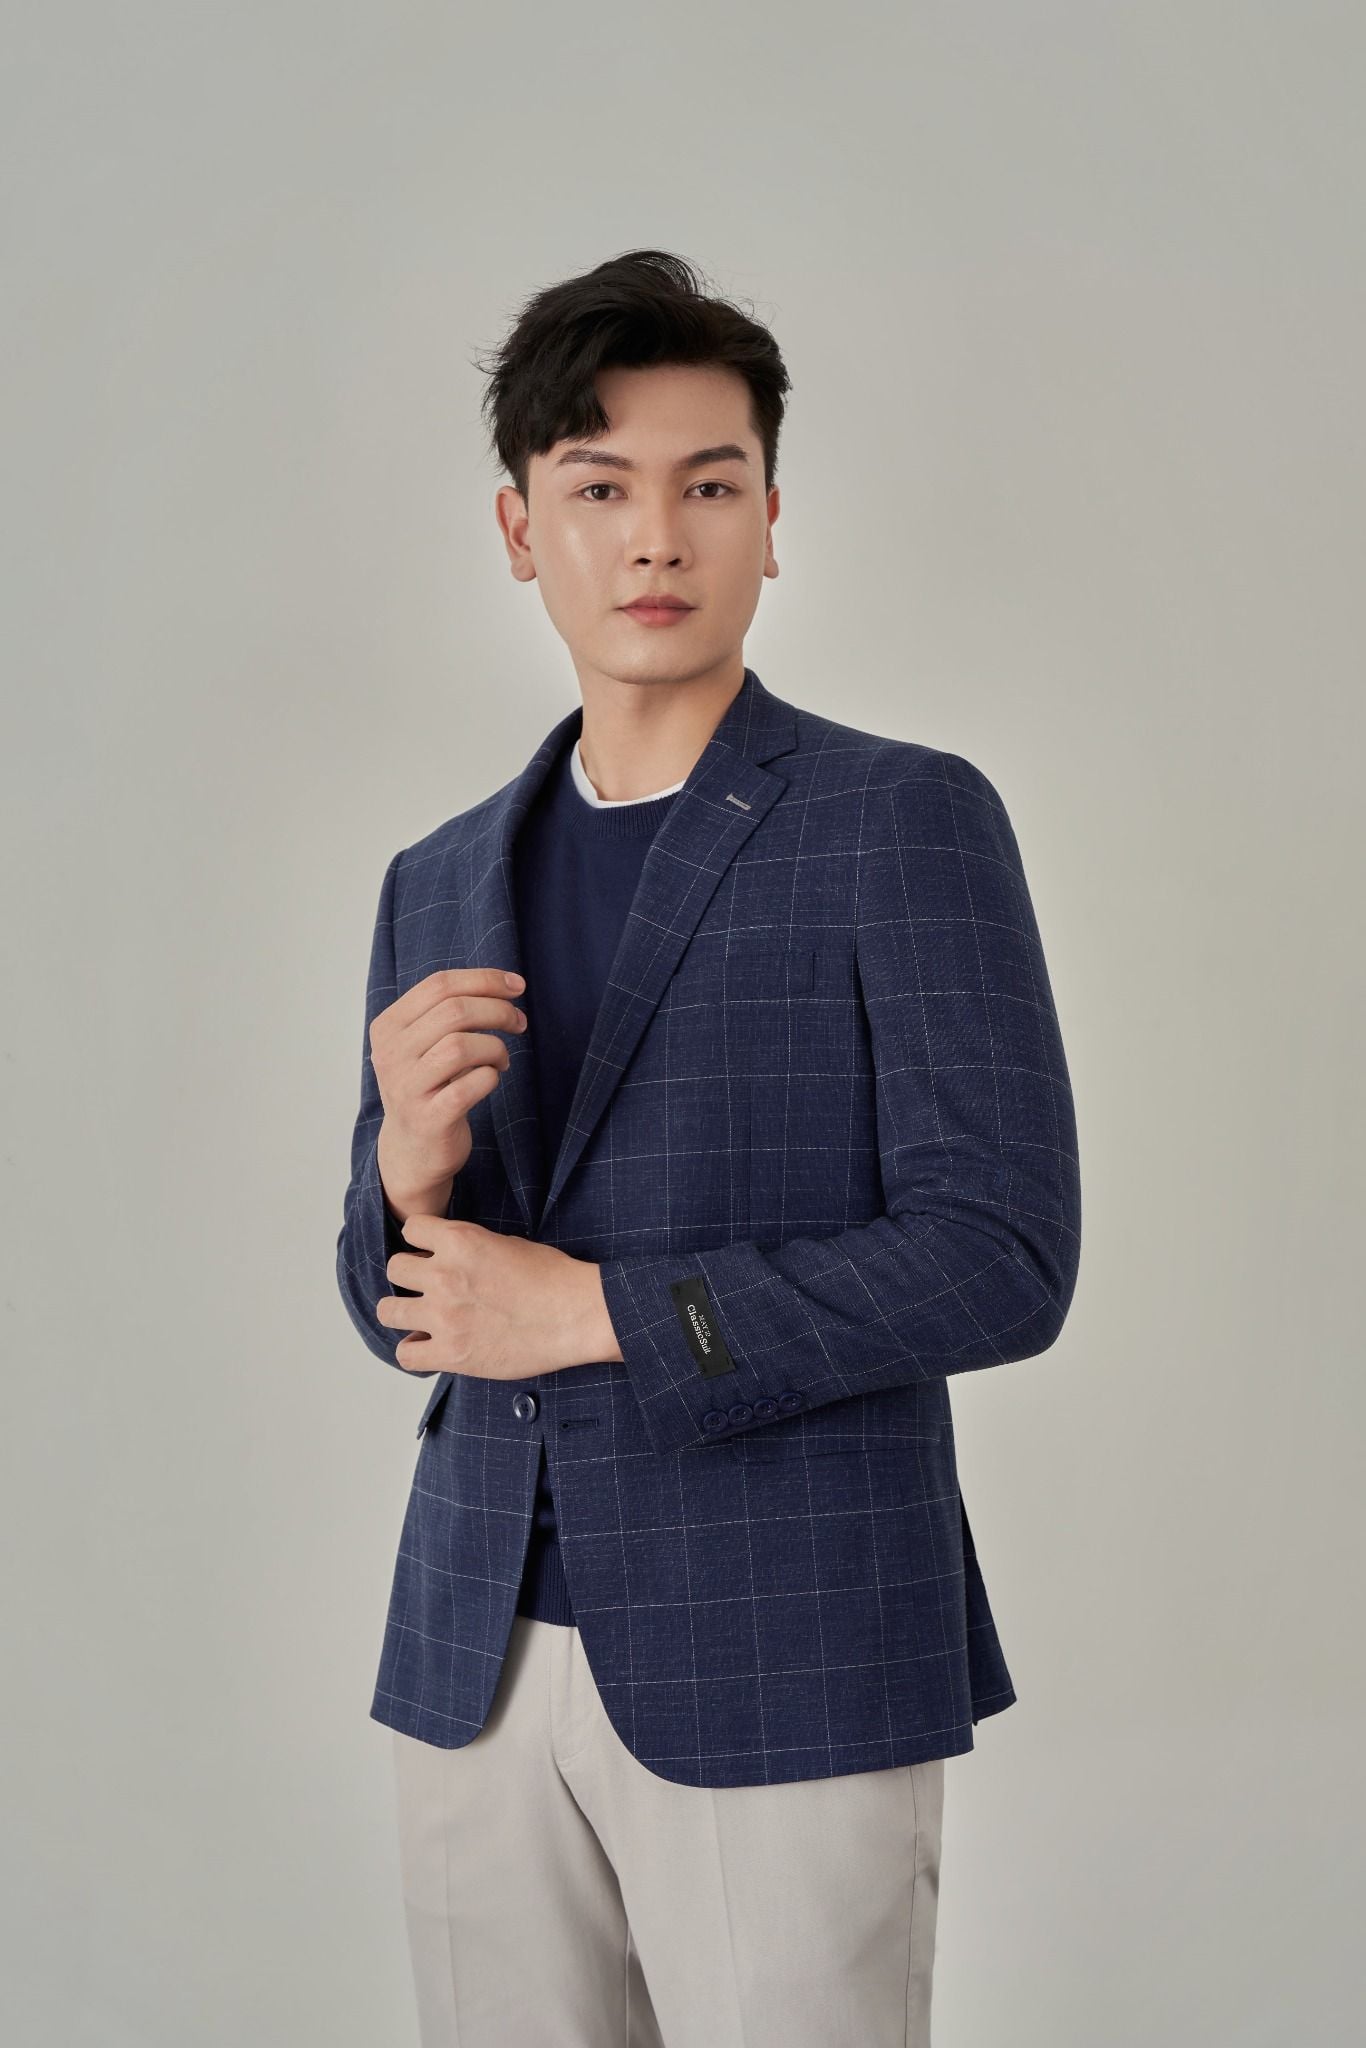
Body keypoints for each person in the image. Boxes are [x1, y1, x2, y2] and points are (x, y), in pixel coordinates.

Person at [335, 248, 1082, 2048]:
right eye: (599, 490)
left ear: (770, 521)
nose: (655, 539)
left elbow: (1001, 1254)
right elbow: (404, 1307)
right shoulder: (437, 876)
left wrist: (596, 1313)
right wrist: (402, 1181)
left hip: (789, 1640)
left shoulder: (899, 819)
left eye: (708, 487)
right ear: (520, 531)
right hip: (476, 1652)